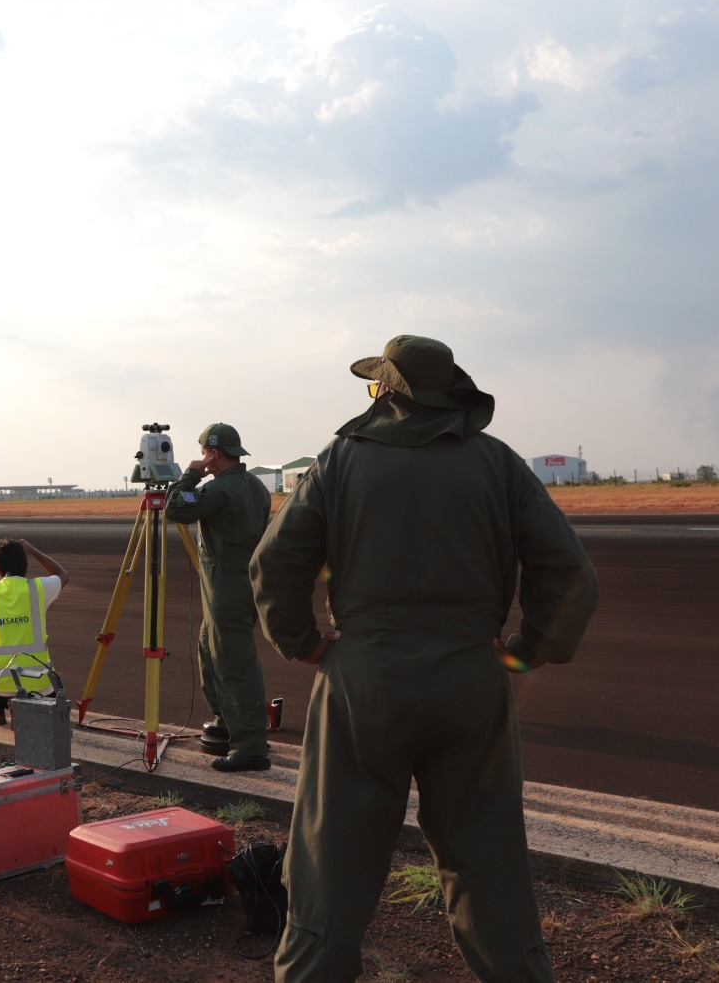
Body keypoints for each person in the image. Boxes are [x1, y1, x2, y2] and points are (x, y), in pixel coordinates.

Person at [250, 335, 599, 982]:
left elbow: (275, 564)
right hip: (472, 680)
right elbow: (571, 572)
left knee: (332, 862)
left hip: (363, 683)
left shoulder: (341, 461)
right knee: (488, 862)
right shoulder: (497, 463)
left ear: (387, 393)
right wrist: (525, 652)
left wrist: (306, 644)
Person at [164, 423, 273, 772]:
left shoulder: (221, 490)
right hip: (239, 581)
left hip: (227, 583)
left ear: (213, 453)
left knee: (233, 662)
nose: (201, 460)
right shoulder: (254, 485)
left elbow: (176, 507)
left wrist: (189, 477)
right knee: (211, 651)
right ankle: (228, 724)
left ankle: (251, 746)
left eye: (203, 454)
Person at [0, 538, 70, 725]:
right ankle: (21, 712)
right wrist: (33, 550)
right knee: (50, 694)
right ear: (26, 565)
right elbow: (62, 574)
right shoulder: (38, 589)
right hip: (35, 679)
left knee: (3, 660)